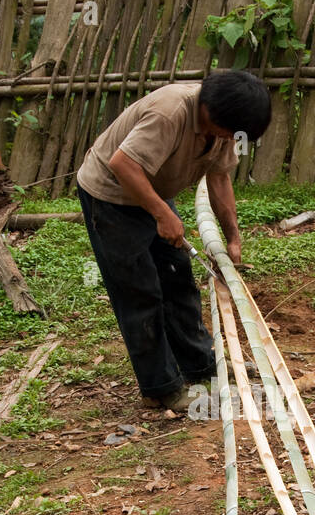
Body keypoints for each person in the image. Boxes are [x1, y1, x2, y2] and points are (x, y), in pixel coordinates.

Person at [76, 71, 272, 412]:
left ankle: (201, 365)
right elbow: (122, 164)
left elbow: (220, 177)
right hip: (111, 196)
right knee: (139, 291)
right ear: (212, 113)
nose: (233, 138)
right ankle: (161, 387)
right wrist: (161, 214)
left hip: (151, 189)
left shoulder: (223, 127)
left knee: (178, 278)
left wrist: (234, 238)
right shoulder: (170, 112)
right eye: (233, 132)